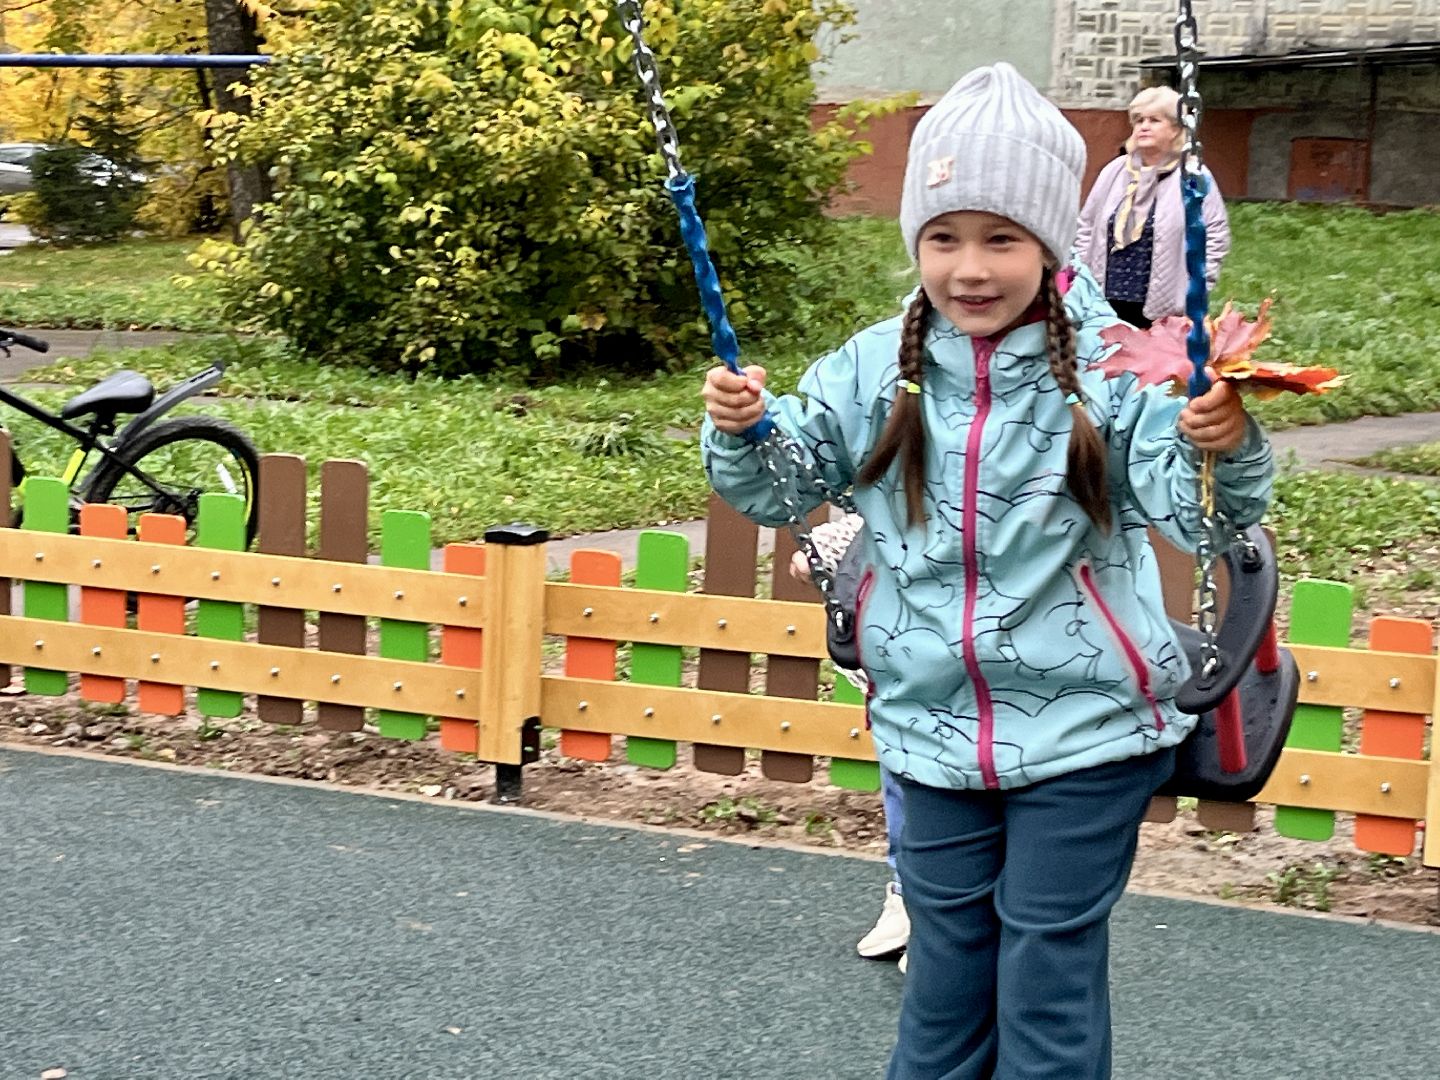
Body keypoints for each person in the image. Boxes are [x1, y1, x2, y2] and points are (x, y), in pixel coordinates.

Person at [702, 63, 1273, 1079]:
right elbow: (788, 484)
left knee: (1046, 971)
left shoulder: (1116, 366)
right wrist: (747, 432)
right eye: (944, 236)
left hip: (1086, 730)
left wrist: (1216, 441)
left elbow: (1199, 514)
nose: (971, 267)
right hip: (929, 728)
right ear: (916, 241)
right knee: (944, 977)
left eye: (1002, 238)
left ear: (1050, 245)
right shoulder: (875, 367)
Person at [792, 514, 910, 970]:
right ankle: (906, 898)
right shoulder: (887, 489)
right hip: (897, 679)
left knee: (951, 804)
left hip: (964, 679)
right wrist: (821, 554)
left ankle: (946, 925)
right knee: (901, 786)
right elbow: (812, 558)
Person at [1074, 84, 1230, 328]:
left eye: (1154, 120)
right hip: (1104, 299)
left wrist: (1196, 286)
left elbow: (1215, 235)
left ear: (1176, 129)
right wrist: (1083, 276)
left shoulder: (1193, 176)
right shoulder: (1114, 171)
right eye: (1138, 121)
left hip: (1164, 304)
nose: (1143, 127)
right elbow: (1086, 226)